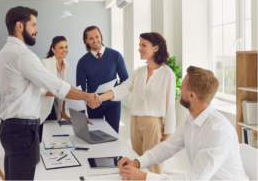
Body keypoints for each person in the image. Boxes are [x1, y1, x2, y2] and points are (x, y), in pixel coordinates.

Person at [0, 6, 101, 181]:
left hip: (9, 127)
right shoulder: (23, 55)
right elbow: (57, 86)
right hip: (23, 131)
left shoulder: (2, 54)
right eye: (33, 25)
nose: (37, 30)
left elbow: (34, 89)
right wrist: (87, 96)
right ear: (20, 26)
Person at [117, 66, 249, 181]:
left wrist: (144, 177)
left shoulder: (218, 132)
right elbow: (166, 148)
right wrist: (137, 162)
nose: (179, 88)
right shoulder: (189, 119)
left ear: (191, 95)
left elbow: (193, 179)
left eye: (183, 85)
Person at [96, 32, 176, 174]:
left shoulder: (167, 74)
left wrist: (168, 133)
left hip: (153, 124)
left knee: (152, 167)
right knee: (137, 162)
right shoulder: (139, 72)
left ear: (156, 48)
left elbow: (171, 106)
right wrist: (99, 98)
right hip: (135, 122)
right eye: (139, 45)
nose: (139, 49)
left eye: (143, 45)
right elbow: (123, 88)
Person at [38, 36, 92, 142]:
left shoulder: (66, 65)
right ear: (53, 49)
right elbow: (41, 90)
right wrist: (62, 93)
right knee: (43, 135)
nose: (65, 50)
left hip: (56, 106)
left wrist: (63, 111)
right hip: (45, 106)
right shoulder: (45, 63)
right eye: (61, 48)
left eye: (66, 47)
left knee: (52, 135)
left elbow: (64, 86)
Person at [76, 26, 128, 133]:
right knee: (96, 134)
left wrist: (115, 93)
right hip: (93, 105)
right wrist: (81, 113)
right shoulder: (82, 62)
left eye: (97, 36)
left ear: (101, 37)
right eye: (91, 38)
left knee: (113, 135)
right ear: (86, 41)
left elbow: (125, 80)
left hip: (113, 103)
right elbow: (80, 90)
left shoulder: (116, 56)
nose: (95, 41)